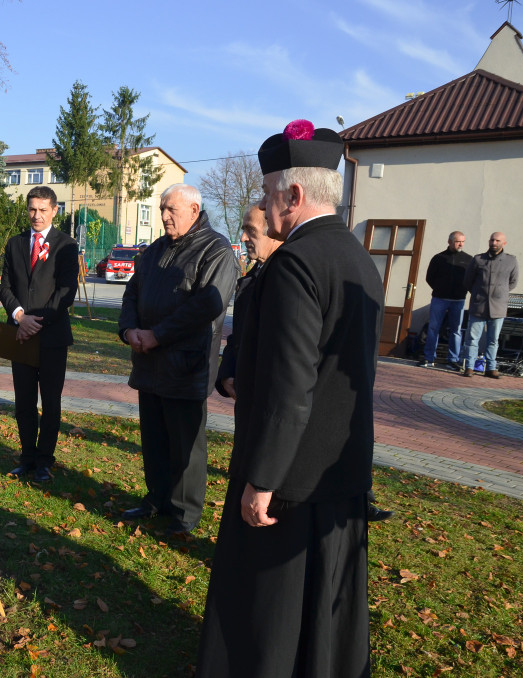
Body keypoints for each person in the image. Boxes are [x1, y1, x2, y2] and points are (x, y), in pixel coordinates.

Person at [196, 120, 384, 677]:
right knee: (324, 603)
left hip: (292, 474)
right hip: (339, 465)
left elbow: (291, 383)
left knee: (271, 605)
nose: (262, 203)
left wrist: (263, 480)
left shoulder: (296, 263)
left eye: (267, 192)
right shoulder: (356, 257)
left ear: (294, 195)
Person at [118, 184, 238, 536]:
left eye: (171, 209)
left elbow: (206, 307)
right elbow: (132, 293)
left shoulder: (215, 250)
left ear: (194, 208)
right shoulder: (155, 250)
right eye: (161, 209)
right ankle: (156, 498)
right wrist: (129, 331)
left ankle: (185, 514)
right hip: (149, 363)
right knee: (154, 438)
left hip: (186, 366)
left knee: (185, 444)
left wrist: (157, 334)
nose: (164, 216)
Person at [0, 186, 79, 483]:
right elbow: (5, 287)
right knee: (24, 402)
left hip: (53, 337)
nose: (37, 215)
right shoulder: (15, 244)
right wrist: (20, 316)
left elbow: (65, 294)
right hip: (20, 335)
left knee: (51, 402)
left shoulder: (66, 246)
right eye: (32, 209)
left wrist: (36, 321)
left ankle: (45, 460)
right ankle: (27, 457)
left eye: (43, 209)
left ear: (55, 211)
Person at [215, 205, 280, 400]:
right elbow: (239, 335)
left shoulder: (285, 279)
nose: (243, 238)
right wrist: (227, 374)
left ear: (274, 231)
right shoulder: (254, 276)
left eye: (251, 230)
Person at [462, 232, 519, 378]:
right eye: (492, 240)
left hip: (498, 307)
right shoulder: (478, 259)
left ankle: (491, 368)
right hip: (479, 305)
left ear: (503, 243)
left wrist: (500, 293)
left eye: (497, 240)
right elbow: (468, 280)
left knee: (493, 340)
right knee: (472, 339)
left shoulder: (511, 261)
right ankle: (469, 366)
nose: (494, 243)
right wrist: (478, 293)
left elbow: (512, 282)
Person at [419, 231, 470, 369]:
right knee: (433, 328)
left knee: (456, 330)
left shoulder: (468, 260)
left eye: (463, 241)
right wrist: (440, 289)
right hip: (439, 298)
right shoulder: (438, 258)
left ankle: (453, 360)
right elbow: (430, 277)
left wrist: (463, 291)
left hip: (458, 300)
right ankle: (429, 358)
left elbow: (470, 280)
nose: (461, 244)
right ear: (449, 242)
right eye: (458, 241)